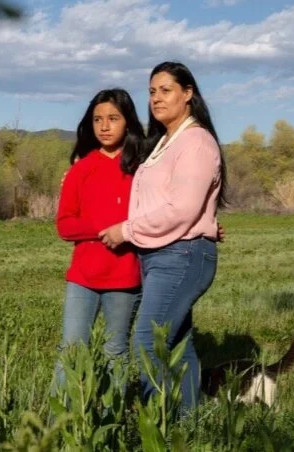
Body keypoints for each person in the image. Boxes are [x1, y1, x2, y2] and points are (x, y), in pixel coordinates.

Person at [99, 61, 227, 415]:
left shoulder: (196, 141)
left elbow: (182, 209)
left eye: (166, 90)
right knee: (178, 344)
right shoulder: (166, 142)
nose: (156, 98)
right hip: (162, 255)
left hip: (181, 255)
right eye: (152, 91)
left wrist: (125, 230)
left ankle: (159, 423)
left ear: (188, 94)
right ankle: (188, 423)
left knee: (147, 343)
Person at [51, 88, 146, 396]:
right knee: (71, 349)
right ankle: (58, 422)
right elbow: (65, 226)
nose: (104, 126)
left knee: (115, 351)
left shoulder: (142, 170)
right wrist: (105, 228)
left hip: (125, 277)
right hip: (83, 279)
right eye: (98, 119)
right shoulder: (81, 169)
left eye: (113, 119)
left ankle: (109, 423)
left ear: (128, 123)